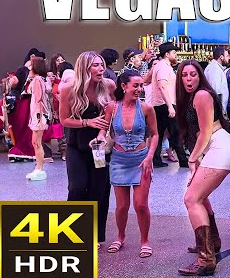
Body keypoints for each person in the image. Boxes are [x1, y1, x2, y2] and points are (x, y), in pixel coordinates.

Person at [176, 60, 230, 276]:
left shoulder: (202, 95)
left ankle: (206, 258)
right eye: (184, 75)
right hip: (215, 147)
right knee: (200, 197)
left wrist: (192, 160)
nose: (188, 79)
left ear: (200, 76)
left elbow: (205, 133)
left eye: (193, 75)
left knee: (191, 199)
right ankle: (212, 242)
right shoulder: (192, 97)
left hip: (219, 146)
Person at [94, 70, 159, 257]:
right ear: (124, 87)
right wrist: (99, 140)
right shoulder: (112, 108)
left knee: (140, 205)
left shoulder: (147, 108)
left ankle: (144, 240)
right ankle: (120, 237)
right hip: (119, 161)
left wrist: (150, 156)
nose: (139, 89)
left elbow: (154, 134)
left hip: (141, 160)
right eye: (135, 86)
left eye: (141, 86)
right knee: (121, 206)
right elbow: (103, 131)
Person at [58, 51, 115, 248]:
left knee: (98, 190)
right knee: (76, 188)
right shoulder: (68, 89)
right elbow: (64, 120)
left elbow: (115, 107)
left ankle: (93, 235)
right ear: (84, 68)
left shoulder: (108, 85)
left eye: (102, 65)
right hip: (76, 145)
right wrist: (87, 122)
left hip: (100, 147)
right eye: (96, 65)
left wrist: (103, 130)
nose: (101, 69)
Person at [25, 58, 51, 181]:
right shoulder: (39, 80)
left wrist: (40, 118)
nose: (28, 69)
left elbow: (39, 99)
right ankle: (38, 168)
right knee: (35, 143)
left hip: (38, 116)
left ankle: (39, 169)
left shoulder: (37, 80)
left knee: (37, 143)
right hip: (38, 115)